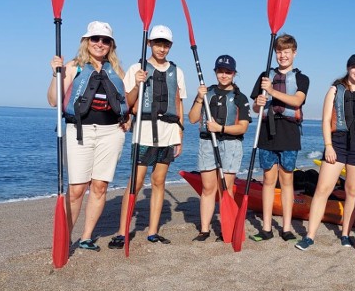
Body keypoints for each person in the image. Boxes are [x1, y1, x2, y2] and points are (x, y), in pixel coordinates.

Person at [47, 21, 129, 252]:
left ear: (111, 45)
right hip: (79, 132)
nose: (99, 44)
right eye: (95, 39)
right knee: (76, 188)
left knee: (100, 186)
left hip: (111, 133)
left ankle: (86, 237)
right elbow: (54, 101)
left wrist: (129, 116)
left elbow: (126, 102)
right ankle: (65, 239)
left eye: (105, 40)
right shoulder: (74, 66)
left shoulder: (118, 71)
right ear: (87, 41)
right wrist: (55, 74)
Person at [110, 25, 187, 249]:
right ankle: (122, 231)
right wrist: (137, 82)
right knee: (136, 181)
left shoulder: (177, 71)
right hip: (144, 131)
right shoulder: (137, 68)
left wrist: (180, 134)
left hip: (169, 131)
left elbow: (178, 102)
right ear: (149, 44)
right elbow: (128, 102)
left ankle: (153, 232)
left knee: (159, 181)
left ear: (170, 46)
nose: (161, 48)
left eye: (165, 44)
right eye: (157, 43)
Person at [295, 54, 355, 250]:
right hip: (338, 143)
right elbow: (326, 120)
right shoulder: (335, 89)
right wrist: (328, 145)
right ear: (348, 68)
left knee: (352, 191)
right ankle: (309, 236)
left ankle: (345, 234)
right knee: (323, 189)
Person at [249, 34, 309, 241]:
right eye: (279, 51)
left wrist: (272, 90)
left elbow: (296, 100)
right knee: (268, 179)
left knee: (286, 181)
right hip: (267, 132)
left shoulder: (302, 78)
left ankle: (286, 228)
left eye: (286, 52)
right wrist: (259, 101)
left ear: (294, 53)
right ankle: (266, 228)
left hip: (289, 134)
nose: (282, 56)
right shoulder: (265, 76)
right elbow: (256, 109)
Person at [187, 54, 251, 241]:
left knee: (226, 188)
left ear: (234, 74)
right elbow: (192, 119)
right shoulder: (206, 94)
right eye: (220, 71)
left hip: (231, 145)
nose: (224, 75)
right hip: (208, 143)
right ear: (215, 72)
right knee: (208, 188)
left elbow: (243, 127)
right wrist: (199, 98)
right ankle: (204, 229)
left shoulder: (240, 97)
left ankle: (226, 228)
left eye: (228, 72)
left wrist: (220, 128)